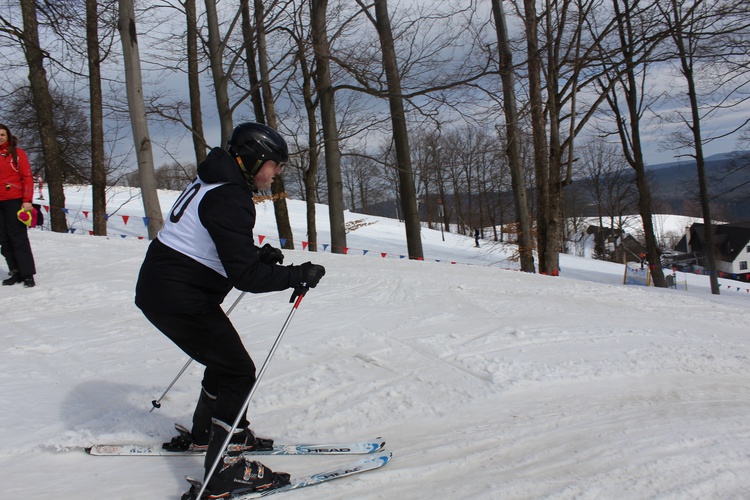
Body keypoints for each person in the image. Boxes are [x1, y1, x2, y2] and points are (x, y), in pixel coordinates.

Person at [135, 123, 326, 499]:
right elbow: (246, 277)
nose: (276, 174)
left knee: (224, 361)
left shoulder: (213, 182)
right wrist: (294, 275)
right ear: (253, 159)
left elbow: (214, 246)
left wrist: (257, 255)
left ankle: (210, 434)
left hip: (166, 289)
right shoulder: (229, 196)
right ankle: (222, 471)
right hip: (180, 296)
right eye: (273, 165)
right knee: (238, 371)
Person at [0, 124, 36, 288]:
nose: (0, 137)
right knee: (3, 239)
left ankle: (27, 274)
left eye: (2, 134)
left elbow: (27, 177)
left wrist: (27, 199)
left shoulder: (17, 154)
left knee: (18, 237)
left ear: (8, 136)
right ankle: (15, 271)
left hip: (14, 200)